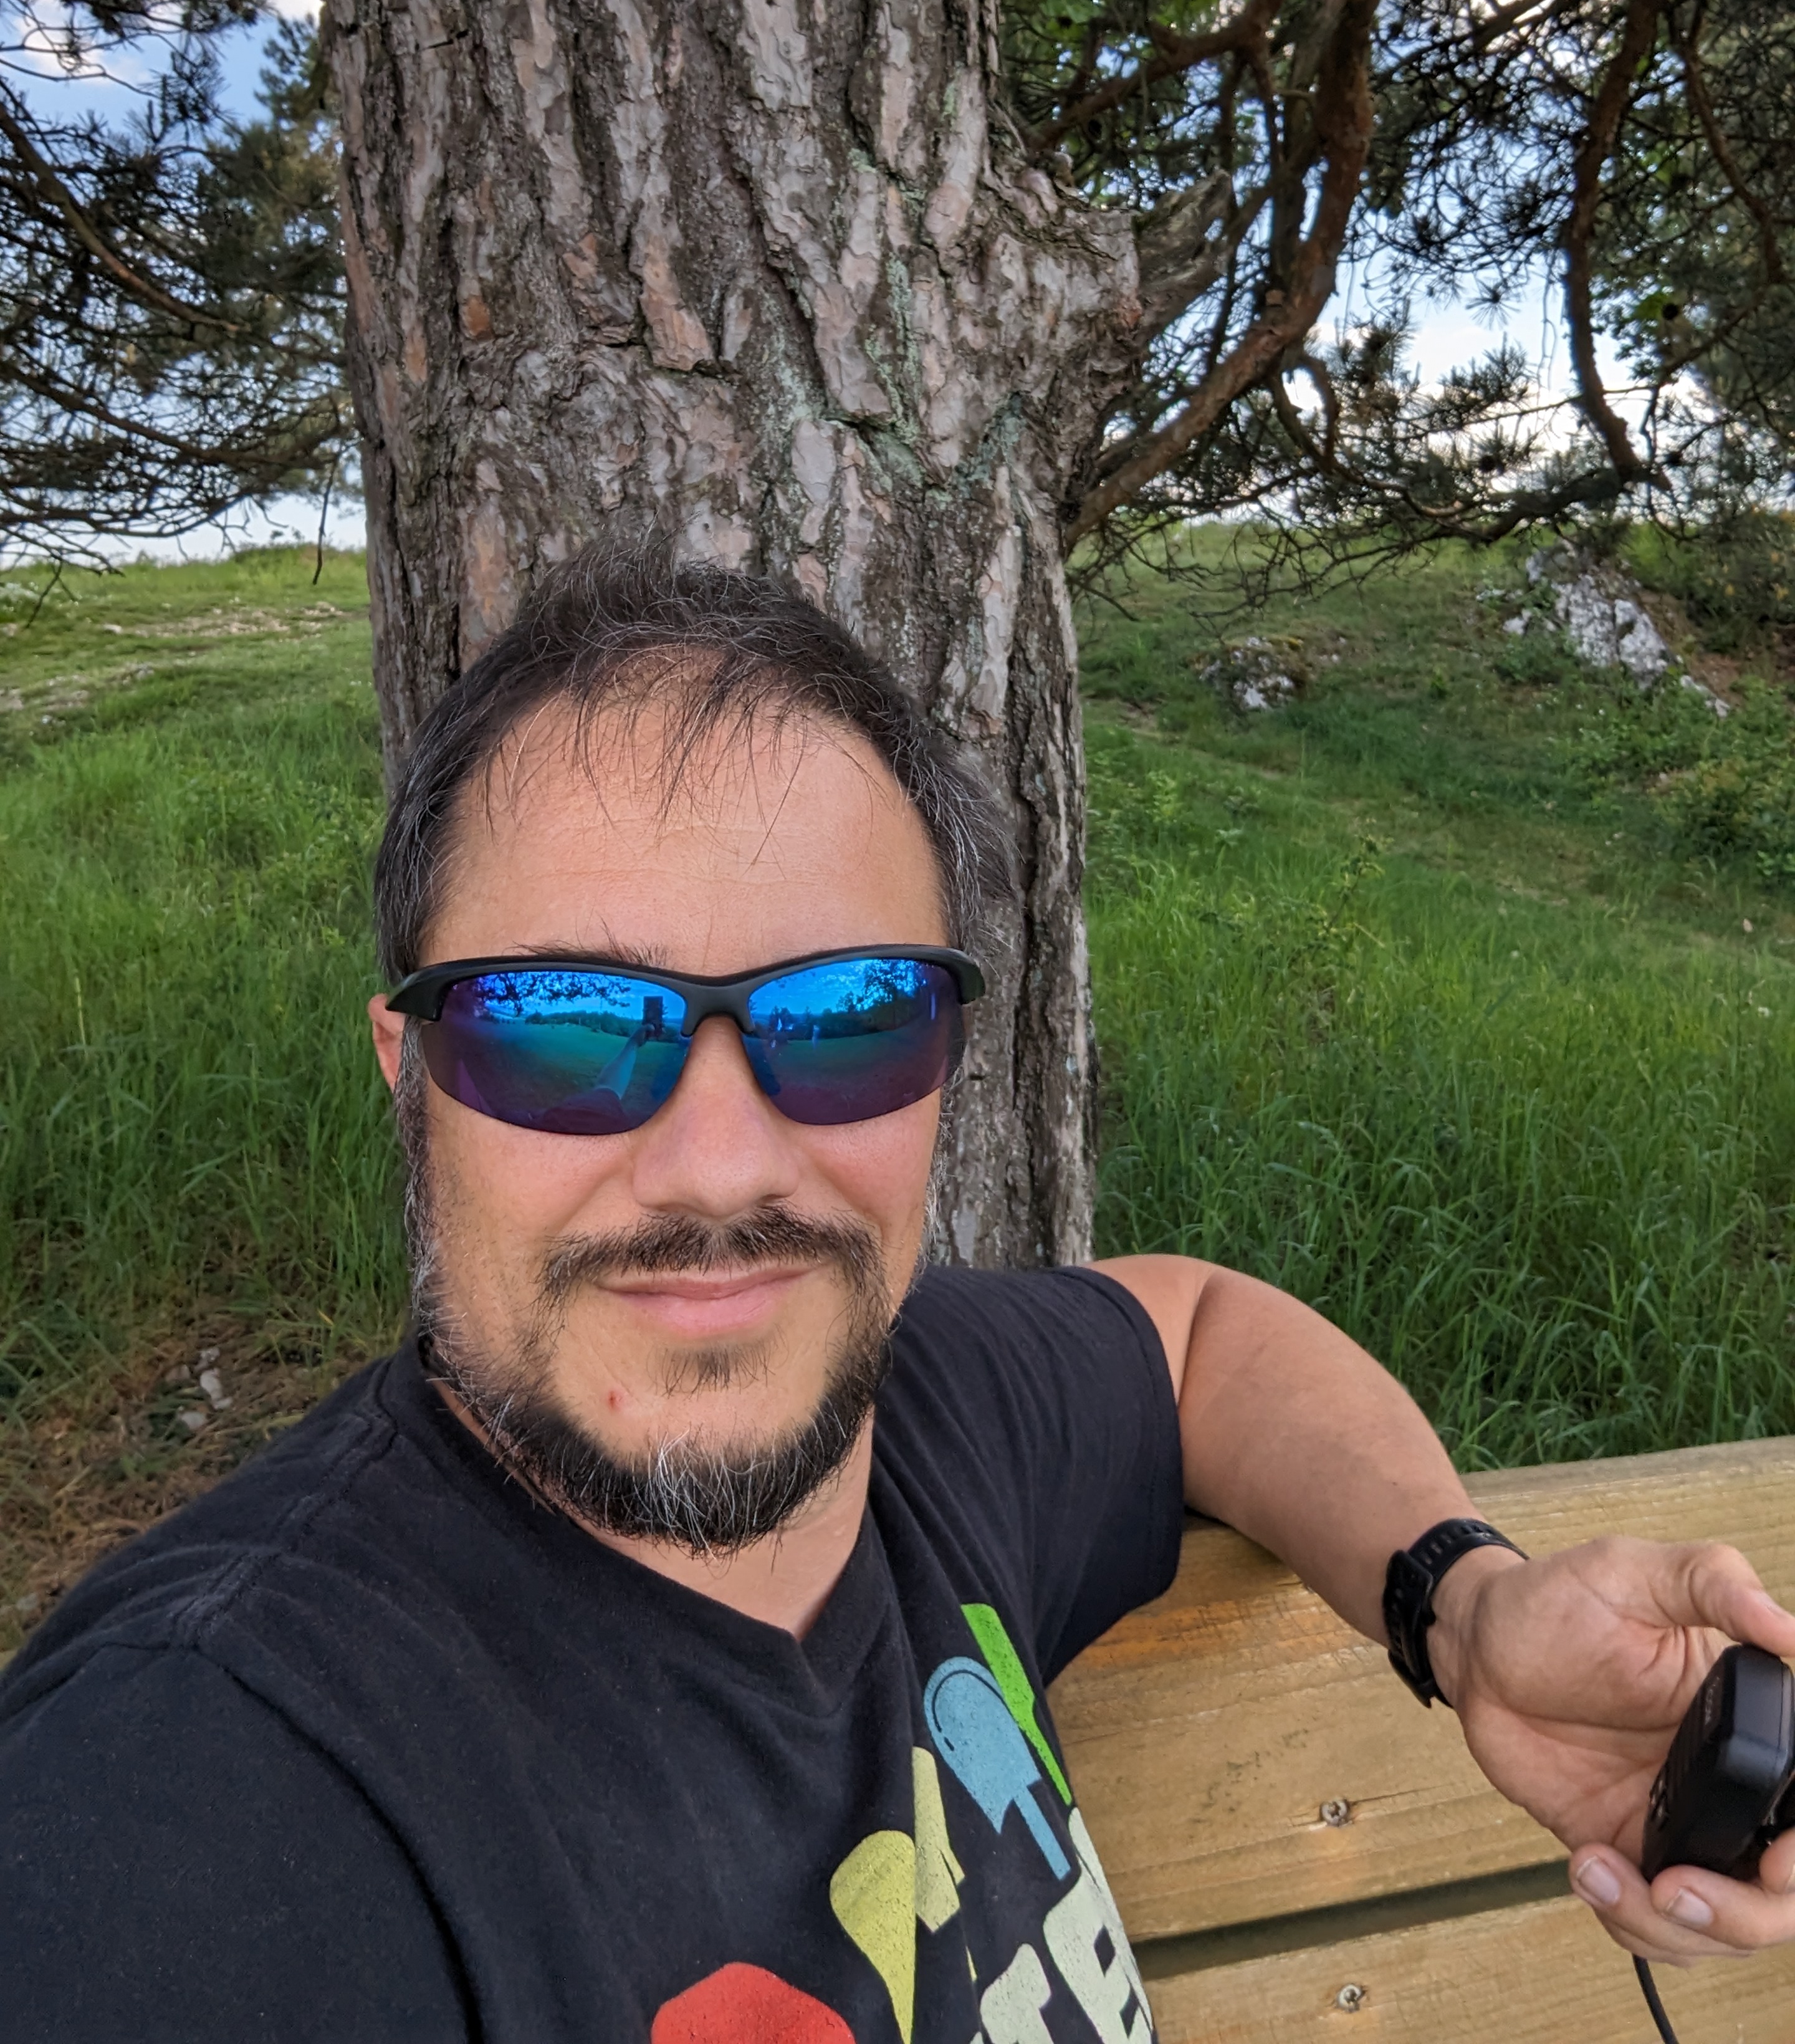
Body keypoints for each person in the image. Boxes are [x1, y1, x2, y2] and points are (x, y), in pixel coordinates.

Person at [2, 547, 1792, 2043]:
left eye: (844, 1019)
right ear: (413, 1077)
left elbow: (1196, 1336)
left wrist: (1465, 1610)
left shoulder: (924, 1419)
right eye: (563, 1027)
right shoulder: (207, 1797)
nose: (719, 1169)